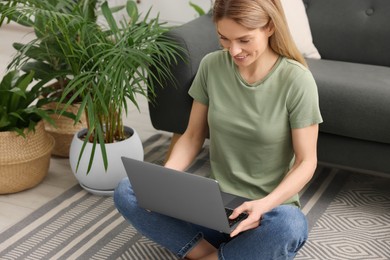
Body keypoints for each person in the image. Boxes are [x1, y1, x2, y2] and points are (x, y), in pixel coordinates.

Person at [114, 0, 323, 259]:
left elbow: (306, 162)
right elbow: (191, 136)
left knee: (291, 226)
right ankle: (214, 253)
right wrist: (164, 182)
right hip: (215, 208)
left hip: (266, 213)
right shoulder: (212, 66)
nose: (234, 50)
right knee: (128, 189)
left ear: (269, 27)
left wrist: (263, 205)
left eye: (244, 40)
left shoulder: (297, 80)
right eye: (224, 38)